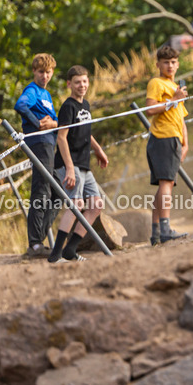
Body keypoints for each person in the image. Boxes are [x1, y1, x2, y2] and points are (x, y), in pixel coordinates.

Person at [49, 65, 109, 263]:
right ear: (69, 84)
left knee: (96, 205)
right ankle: (56, 254)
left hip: (84, 164)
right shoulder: (68, 107)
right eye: (77, 82)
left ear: (88, 82)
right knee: (76, 204)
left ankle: (70, 249)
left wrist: (98, 150)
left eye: (84, 81)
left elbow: (85, 132)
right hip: (69, 163)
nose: (81, 85)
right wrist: (69, 168)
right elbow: (62, 137)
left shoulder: (86, 106)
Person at [14, 53, 59, 258]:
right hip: (39, 143)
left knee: (58, 191)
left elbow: (57, 122)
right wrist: (37, 123)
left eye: (48, 72)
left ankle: (38, 238)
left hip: (50, 144)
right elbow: (21, 105)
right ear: (34, 71)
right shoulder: (32, 90)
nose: (45, 76)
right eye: (41, 72)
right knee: (42, 190)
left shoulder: (46, 95)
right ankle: (34, 244)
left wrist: (53, 124)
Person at [145, 45, 189, 246]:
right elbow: (150, 108)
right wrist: (174, 99)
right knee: (166, 183)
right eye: (165, 62)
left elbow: (181, 118)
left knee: (166, 184)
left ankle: (156, 232)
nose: (170, 66)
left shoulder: (176, 88)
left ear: (178, 64)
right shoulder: (156, 83)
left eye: (173, 62)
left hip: (173, 138)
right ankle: (165, 230)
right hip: (163, 137)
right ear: (158, 65)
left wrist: (185, 143)